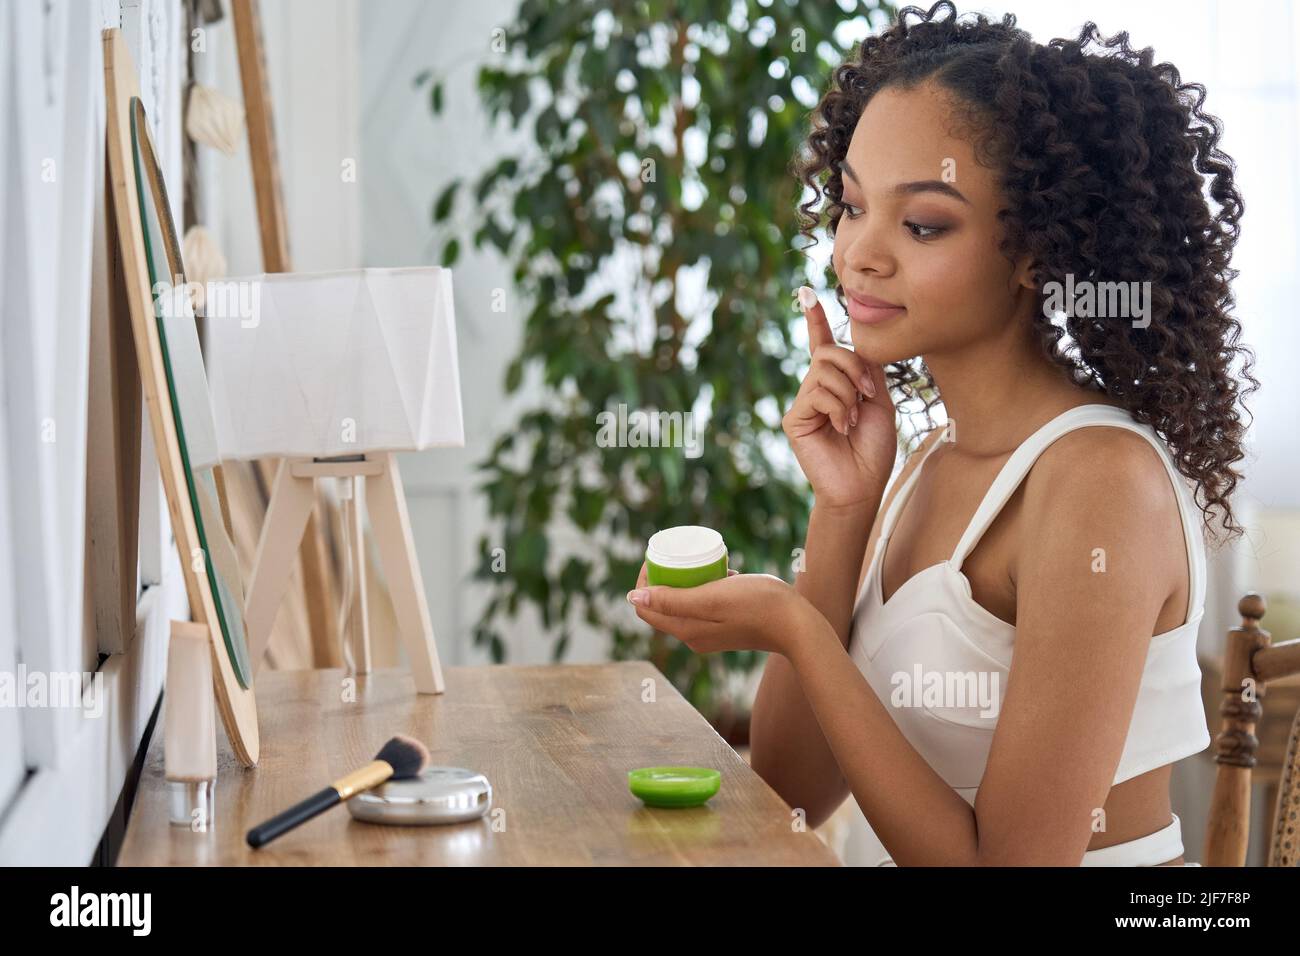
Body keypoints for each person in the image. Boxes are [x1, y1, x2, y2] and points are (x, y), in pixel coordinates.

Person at [625, 1, 1254, 865]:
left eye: (922, 223)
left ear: (1037, 250)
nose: (858, 255)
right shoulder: (926, 462)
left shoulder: (1101, 482)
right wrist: (843, 508)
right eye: (850, 206)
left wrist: (794, 628)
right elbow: (791, 793)